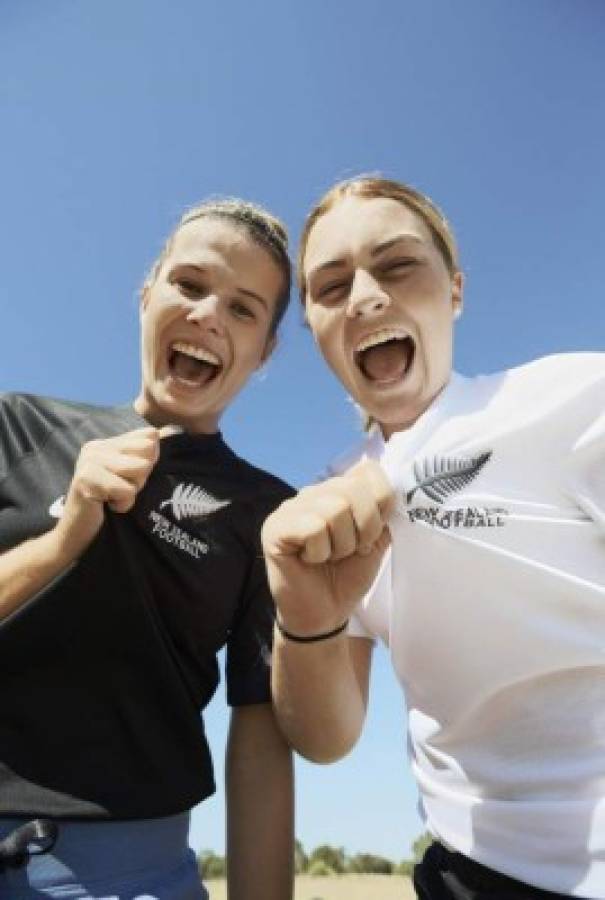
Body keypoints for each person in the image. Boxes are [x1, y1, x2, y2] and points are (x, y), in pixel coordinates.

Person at [262, 176, 605, 899]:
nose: (363, 297)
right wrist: (306, 616)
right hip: (467, 877)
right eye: (330, 287)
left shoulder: (568, 397)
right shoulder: (322, 510)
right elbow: (326, 739)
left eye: (394, 265)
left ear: (453, 290)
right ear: (316, 328)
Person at [0, 199, 294, 899]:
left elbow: (259, 726)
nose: (208, 314)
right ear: (145, 295)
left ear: (263, 353)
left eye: (244, 309)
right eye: (188, 284)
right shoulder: (18, 425)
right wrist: (62, 541)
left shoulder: (267, 513)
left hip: (125, 869)